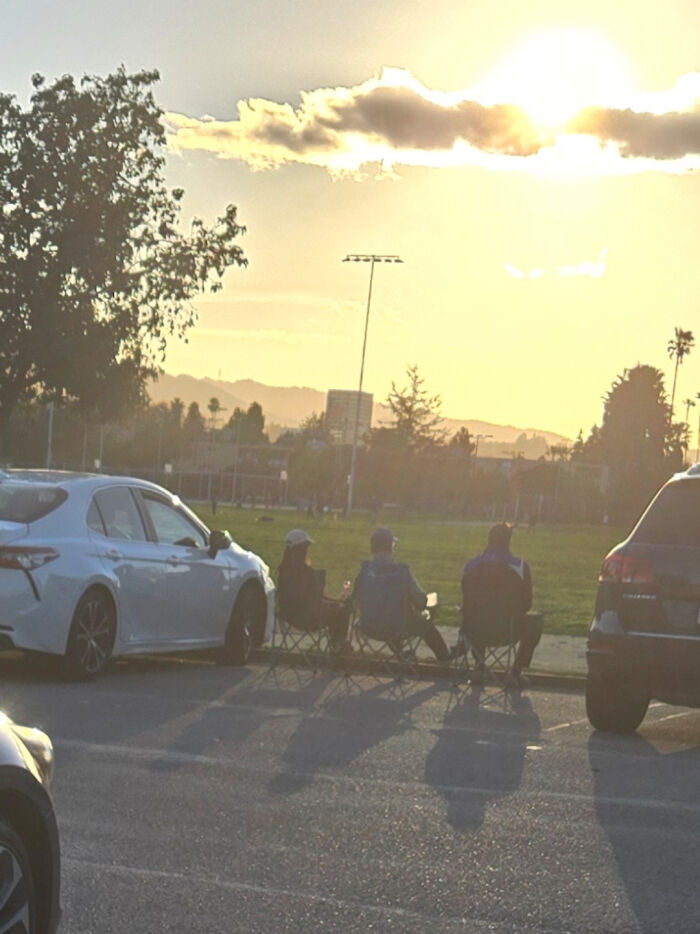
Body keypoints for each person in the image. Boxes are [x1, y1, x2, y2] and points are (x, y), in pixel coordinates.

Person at [460, 523, 543, 686]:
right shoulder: (520, 566)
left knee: (475, 614)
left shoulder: (471, 565)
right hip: (508, 629)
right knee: (536, 623)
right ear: (509, 541)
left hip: (474, 629)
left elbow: (466, 599)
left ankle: (478, 668)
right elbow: (527, 605)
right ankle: (516, 672)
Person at [352, 527, 450, 662]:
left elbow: (354, 598)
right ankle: (444, 656)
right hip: (395, 627)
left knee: (389, 614)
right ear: (390, 546)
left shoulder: (365, 571)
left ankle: (401, 654)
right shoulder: (402, 572)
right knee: (424, 625)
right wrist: (429, 602)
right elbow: (420, 600)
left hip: (368, 626)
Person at [276, 529, 351, 653]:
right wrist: (335, 602)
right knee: (342, 611)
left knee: (337, 608)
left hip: (288, 617)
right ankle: (338, 646)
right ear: (301, 549)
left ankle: (337, 645)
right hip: (307, 618)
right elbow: (314, 600)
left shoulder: (283, 570)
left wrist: (332, 602)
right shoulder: (305, 572)